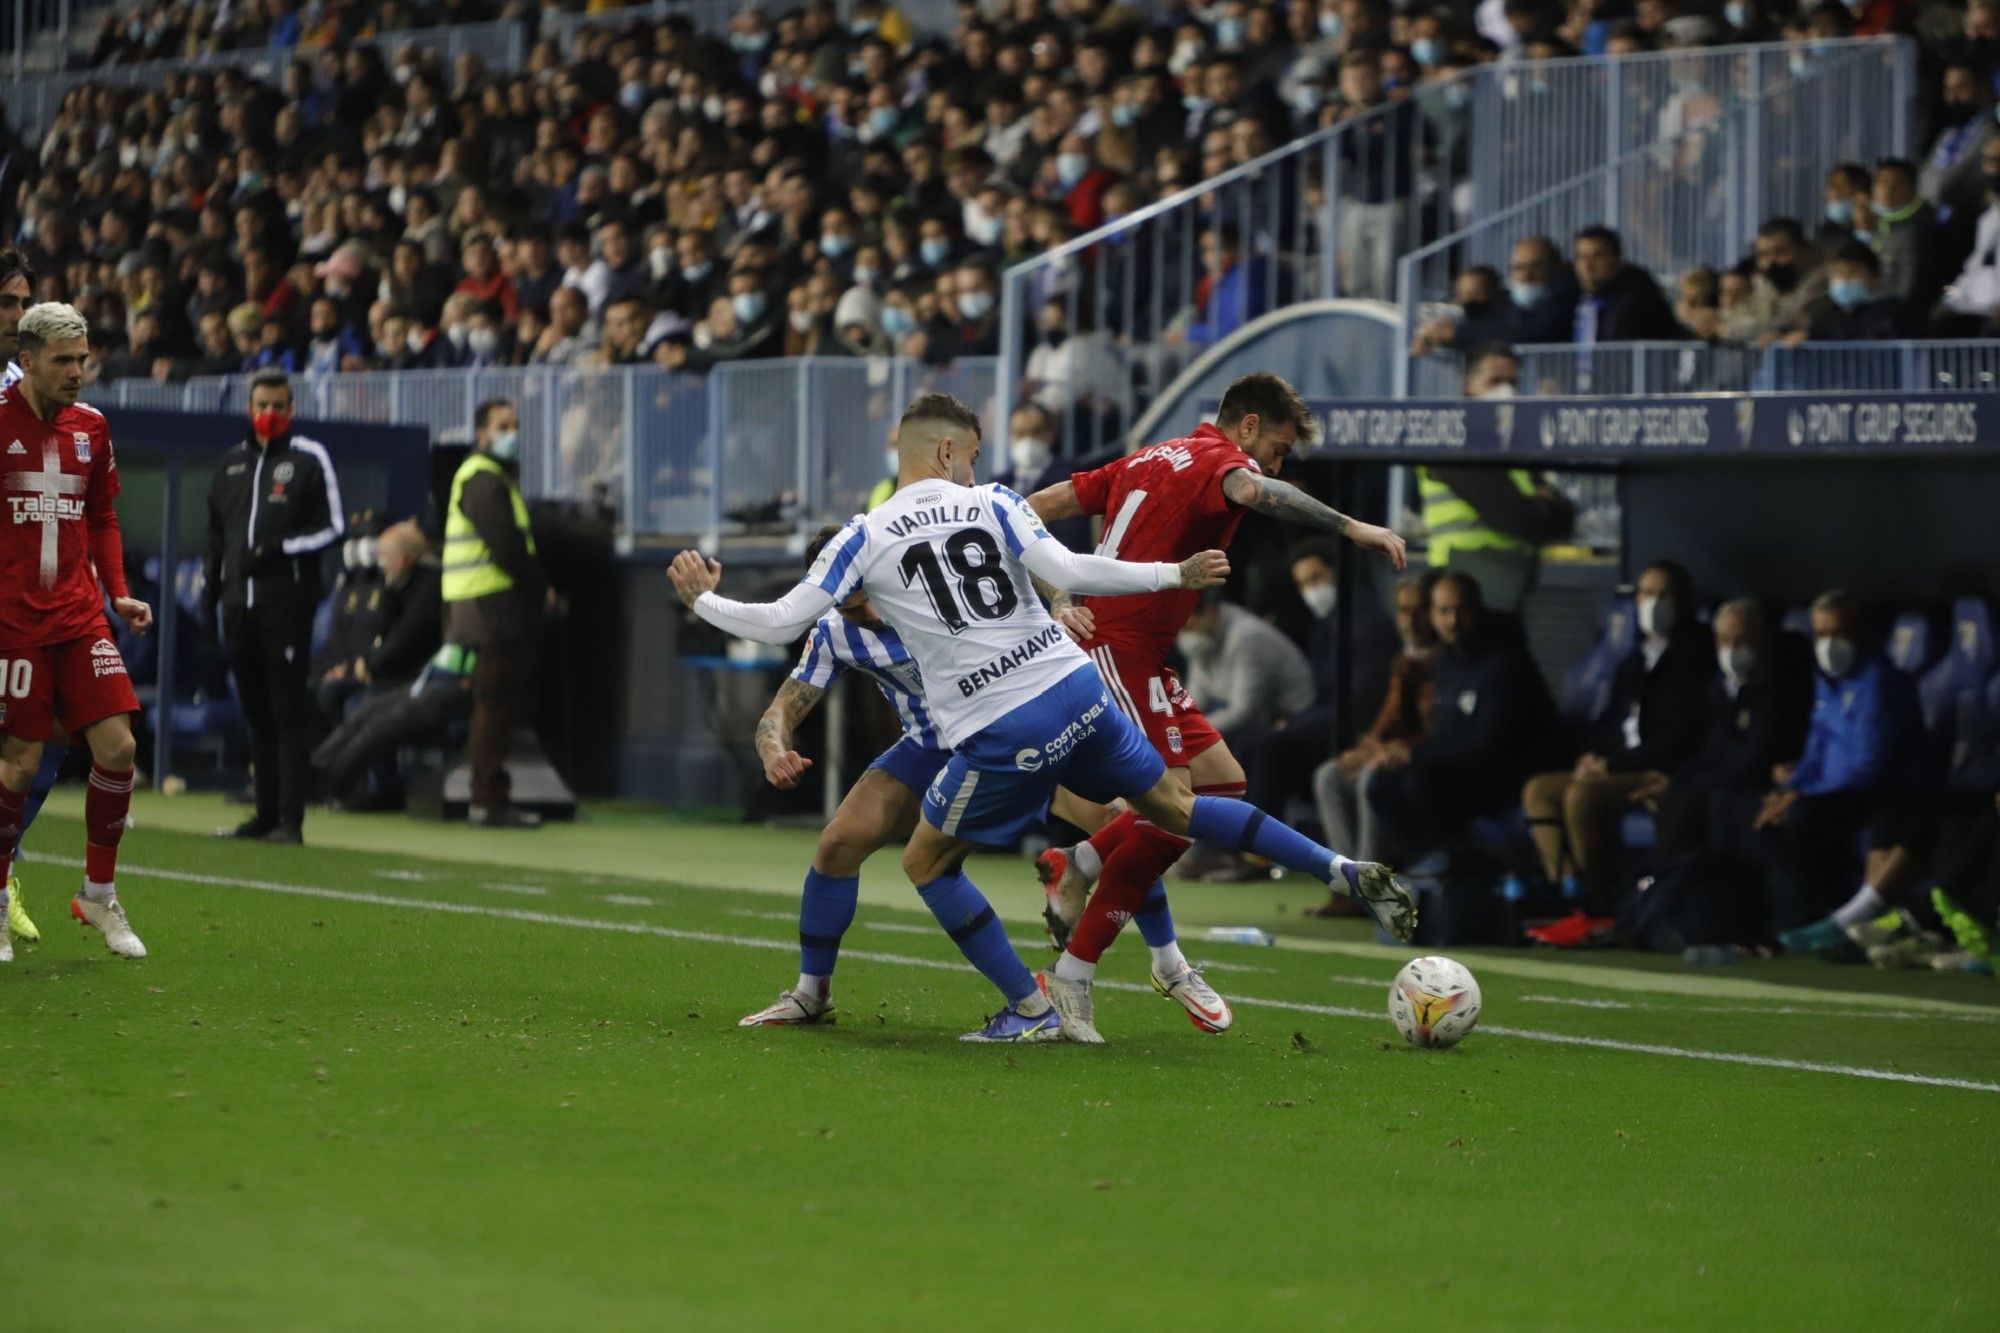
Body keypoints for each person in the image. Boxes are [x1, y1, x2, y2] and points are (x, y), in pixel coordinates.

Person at [671, 392, 1414, 1045]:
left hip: (995, 726)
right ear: (951, 449)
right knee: (1173, 808)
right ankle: (1334, 870)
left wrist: (701, 599)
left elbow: (774, 623)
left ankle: (1035, 1005)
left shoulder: (863, 538)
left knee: (926, 860)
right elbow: (1072, 570)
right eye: (973, 455)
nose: (973, 467)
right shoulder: (993, 499)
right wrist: (1172, 573)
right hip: (1075, 691)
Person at [1023, 372, 1409, 1030]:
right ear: (1249, 426)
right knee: (1172, 812)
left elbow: (1028, 510)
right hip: (1116, 648)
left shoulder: (1144, 456)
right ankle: (1075, 973)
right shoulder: (1220, 462)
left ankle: (1081, 862)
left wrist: (1057, 593)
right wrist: (1355, 528)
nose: (1277, 463)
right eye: (1279, 446)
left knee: (1222, 785)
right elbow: (1260, 490)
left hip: (1142, 654)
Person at [738, 527, 1207, 1028]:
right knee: (837, 845)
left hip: (1012, 728)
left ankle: (1169, 963)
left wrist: (1060, 602)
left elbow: (1023, 560)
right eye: (853, 606)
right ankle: (813, 994)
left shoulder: (933, 582)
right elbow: (782, 709)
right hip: (930, 745)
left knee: (1120, 822)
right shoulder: (835, 632)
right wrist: (773, 750)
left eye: (870, 597)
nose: (870, 613)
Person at [0, 302, 152, 961]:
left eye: (82, 358)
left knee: (118, 746)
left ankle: (97, 892)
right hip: (14, 622)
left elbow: (102, 518)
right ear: (26, 358)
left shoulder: (93, 428)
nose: (76, 372)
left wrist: (117, 590)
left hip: (80, 613)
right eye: (63, 359)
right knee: (21, 762)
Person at [204, 368, 344, 844]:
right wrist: (210, 591)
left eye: (278, 405)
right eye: (261, 404)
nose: (269, 413)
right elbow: (215, 536)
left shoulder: (309, 458)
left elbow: (332, 527)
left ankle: (290, 821)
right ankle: (263, 814)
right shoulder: (230, 464)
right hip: (236, 606)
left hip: (286, 605)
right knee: (255, 713)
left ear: (292, 409)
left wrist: (280, 548)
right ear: (249, 408)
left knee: (287, 712)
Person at [1519, 561, 1713, 901]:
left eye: (1664, 594)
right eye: (1648, 593)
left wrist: (1611, 767)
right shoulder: (1634, 659)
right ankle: (1563, 883)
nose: (1654, 603)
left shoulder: (1696, 657)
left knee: (1582, 795)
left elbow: (1679, 738)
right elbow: (1611, 720)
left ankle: (1597, 894)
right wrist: (1593, 756)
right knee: (1539, 791)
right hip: (1614, 765)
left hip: (1651, 770)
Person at [1367, 572, 1562, 868]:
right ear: (1432, 615)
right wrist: (1401, 752)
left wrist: (1416, 754)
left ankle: (1450, 867)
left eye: (1462, 610)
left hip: (1505, 777)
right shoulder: (1446, 663)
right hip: (1460, 770)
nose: (1453, 621)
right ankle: (1423, 868)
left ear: (1478, 609)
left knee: (1420, 779)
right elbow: (1444, 736)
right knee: (1380, 783)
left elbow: (1488, 747)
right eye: (1444, 611)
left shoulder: (1506, 665)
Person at [442, 398, 550, 828]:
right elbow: (505, 546)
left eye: (515, 425)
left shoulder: (486, 477)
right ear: (481, 432)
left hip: (482, 605)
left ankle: (488, 793)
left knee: (493, 703)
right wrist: (540, 587)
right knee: (495, 703)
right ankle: (487, 797)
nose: (511, 433)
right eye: (502, 425)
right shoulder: (484, 479)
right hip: (491, 606)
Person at [1310, 571, 1440, 912]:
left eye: (1418, 609)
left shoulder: (1444, 662)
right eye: (1402, 610)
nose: (1409, 620)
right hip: (1394, 752)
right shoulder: (1405, 660)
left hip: (1425, 760)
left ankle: (1370, 885)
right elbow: (1389, 719)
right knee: (1330, 775)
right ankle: (1345, 883)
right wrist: (1367, 748)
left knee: (1372, 775)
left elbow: (1438, 730)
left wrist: (1382, 752)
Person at [1418, 347, 1576, 611]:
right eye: (1495, 382)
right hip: (1457, 584)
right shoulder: (1453, 441)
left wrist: (1539, 509)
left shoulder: (1516, 445)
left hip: (1510, 587)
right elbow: (1513, 513)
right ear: (1469, 385)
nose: (1506, 392)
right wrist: (1537, 507)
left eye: (1512, 383)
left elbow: (1566, 516)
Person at [308, 521, 444, 808]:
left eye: (385, 557)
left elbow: (406, 641)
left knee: (362, 706)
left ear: (403, 559)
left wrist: (369, 666)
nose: (380, 564)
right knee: (325, 691)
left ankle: (377, 787)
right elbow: (381, 632)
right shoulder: (395, 583)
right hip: (383, 671)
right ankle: (326, 778)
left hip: (415, 678)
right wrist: (360, 665)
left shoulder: (429, 587)